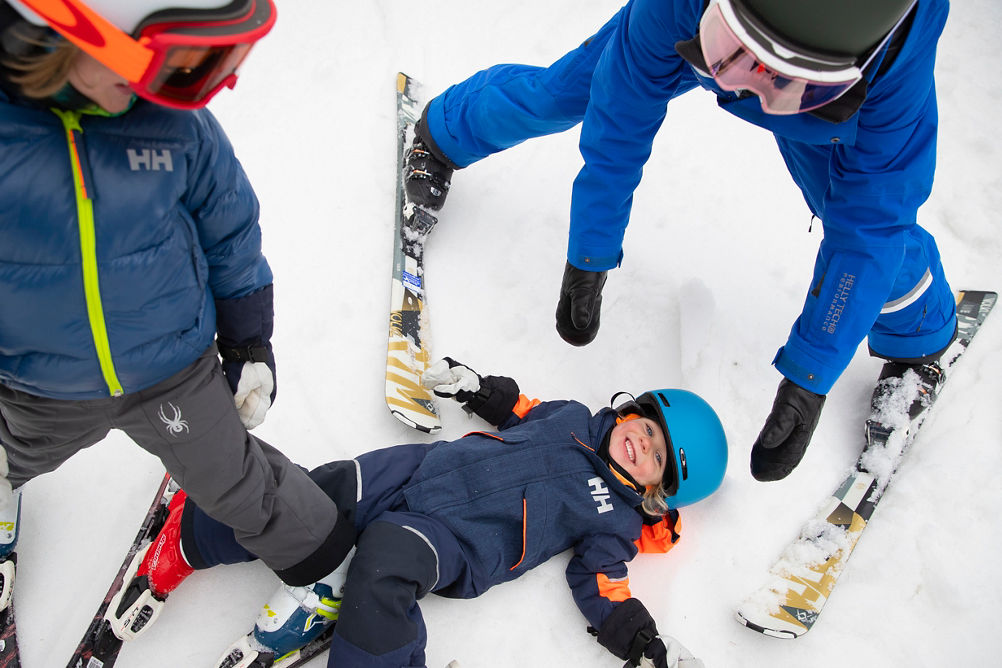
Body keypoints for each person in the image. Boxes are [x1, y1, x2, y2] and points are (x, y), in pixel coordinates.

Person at [404, 0, 958, 483]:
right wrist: (591, 250)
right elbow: (621, 115)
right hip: (691, 38)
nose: (746, 91)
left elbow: (872, 228)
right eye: (736, 54)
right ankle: (446, 131)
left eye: (778, 79)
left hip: (824, 118)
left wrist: (811, 373)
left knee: (870, 227)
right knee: (567, 91)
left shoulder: (894, 70)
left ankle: (917, 340)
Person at [0, 0, 356, 637]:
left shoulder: (174, 125)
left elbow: (230, 232)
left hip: (173, 371)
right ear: (69, 35)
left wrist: (247, 341)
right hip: (37, 386)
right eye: (175, 60)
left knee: (236, 479)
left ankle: (325, 566)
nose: (177, 85)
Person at [137, 357, 726, 668]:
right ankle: (192, 535)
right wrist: (476, 387)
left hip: (459, 538)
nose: (641, 444)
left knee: (384, 562)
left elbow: (603, 584)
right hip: (421, 468)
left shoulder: (615, 521)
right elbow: (522, 409)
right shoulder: (573, 416)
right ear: (635, 411)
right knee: (325, 489)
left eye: (656, 458)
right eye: (648, 427)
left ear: (658, 492)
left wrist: (643, 642)